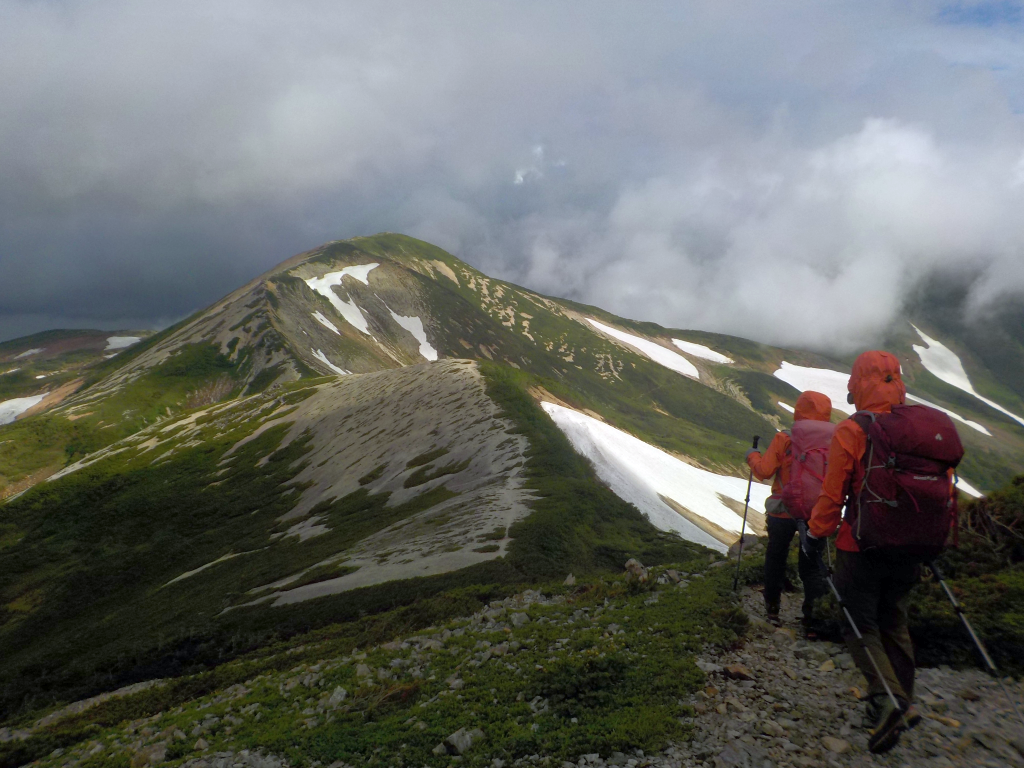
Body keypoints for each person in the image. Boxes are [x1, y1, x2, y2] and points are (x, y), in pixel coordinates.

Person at [803, 351, 923, 754]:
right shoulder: (921, 426)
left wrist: (816, 534)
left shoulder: (853, 430)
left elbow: (833, 494)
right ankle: (899, 703)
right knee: (895, 620)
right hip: (912, 545)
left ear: (858, 382)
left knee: (857, 622)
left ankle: (889, 702)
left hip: (861, 544)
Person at [746, 390, 831, 634]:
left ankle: (772, 612)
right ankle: (812, 621)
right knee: (812, 565)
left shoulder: (785, 437)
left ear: (799, 410)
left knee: (776, 558)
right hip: (816, 511)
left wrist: (752, 456)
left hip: (783, 509)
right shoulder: (834, 439)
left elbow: (763, 471)